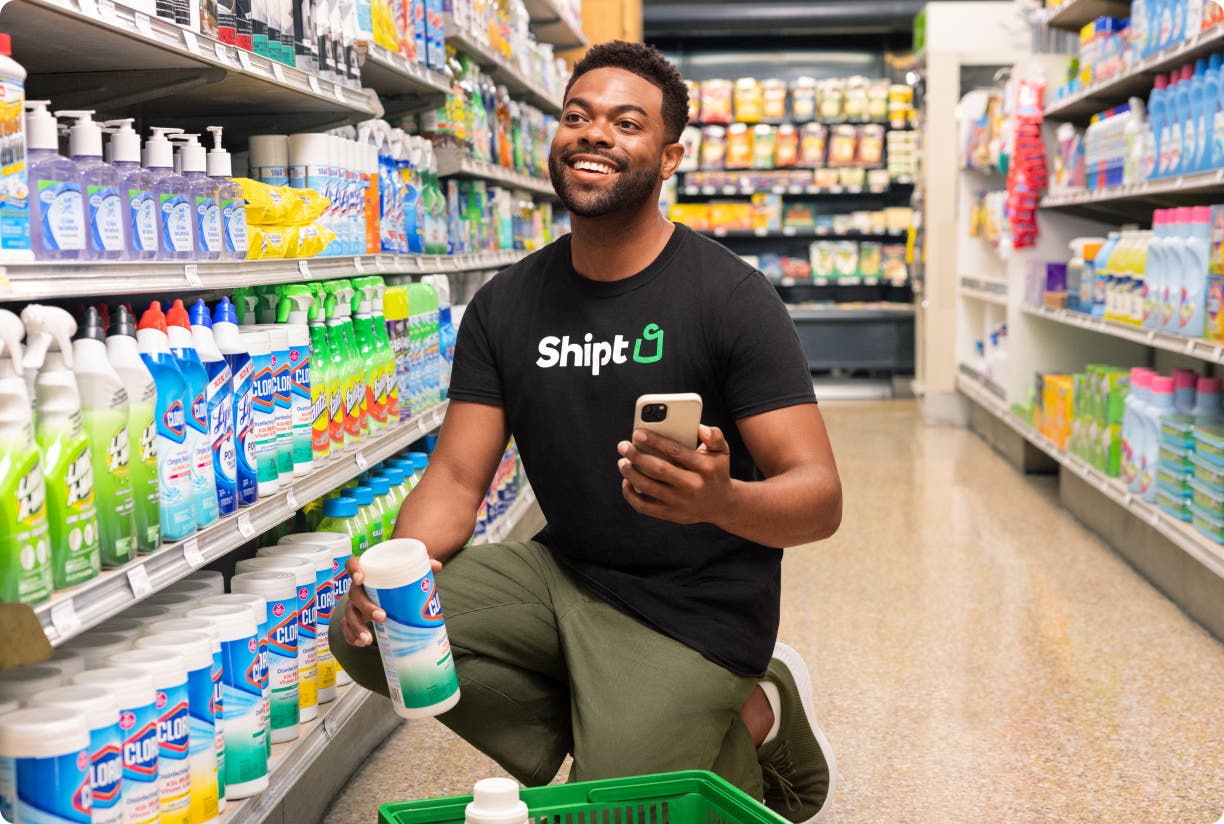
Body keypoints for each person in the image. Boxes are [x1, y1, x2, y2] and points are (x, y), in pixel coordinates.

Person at [331, 40, 843, 824]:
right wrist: (396, 574)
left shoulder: (732, 299)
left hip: (696, 609)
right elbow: (460, 477)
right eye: (577, 116)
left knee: (612, 810)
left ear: (669, 155)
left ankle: (760, 721)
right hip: (563, 576)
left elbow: (819, 499)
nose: (595, 134)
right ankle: (624, 717)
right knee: (370, 640)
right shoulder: (507, 305)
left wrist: (720, 499)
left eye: (626, 123)